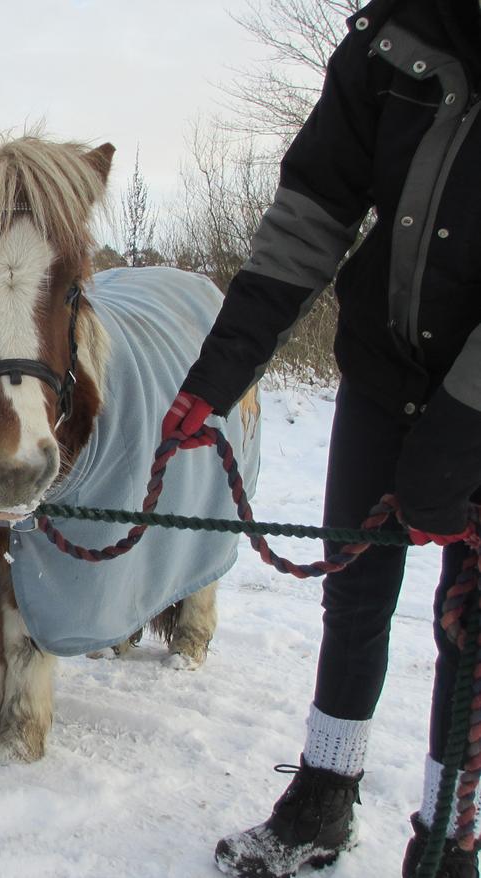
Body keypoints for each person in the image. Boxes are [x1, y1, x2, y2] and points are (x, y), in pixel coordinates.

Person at [161, 1, 481, 876]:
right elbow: (312, 215)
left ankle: (450, 835)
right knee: (355, 590)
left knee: (472, 626)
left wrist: (457, 443)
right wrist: (218, 376)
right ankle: (325, 793)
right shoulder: (394, 40)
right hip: (384, 370)